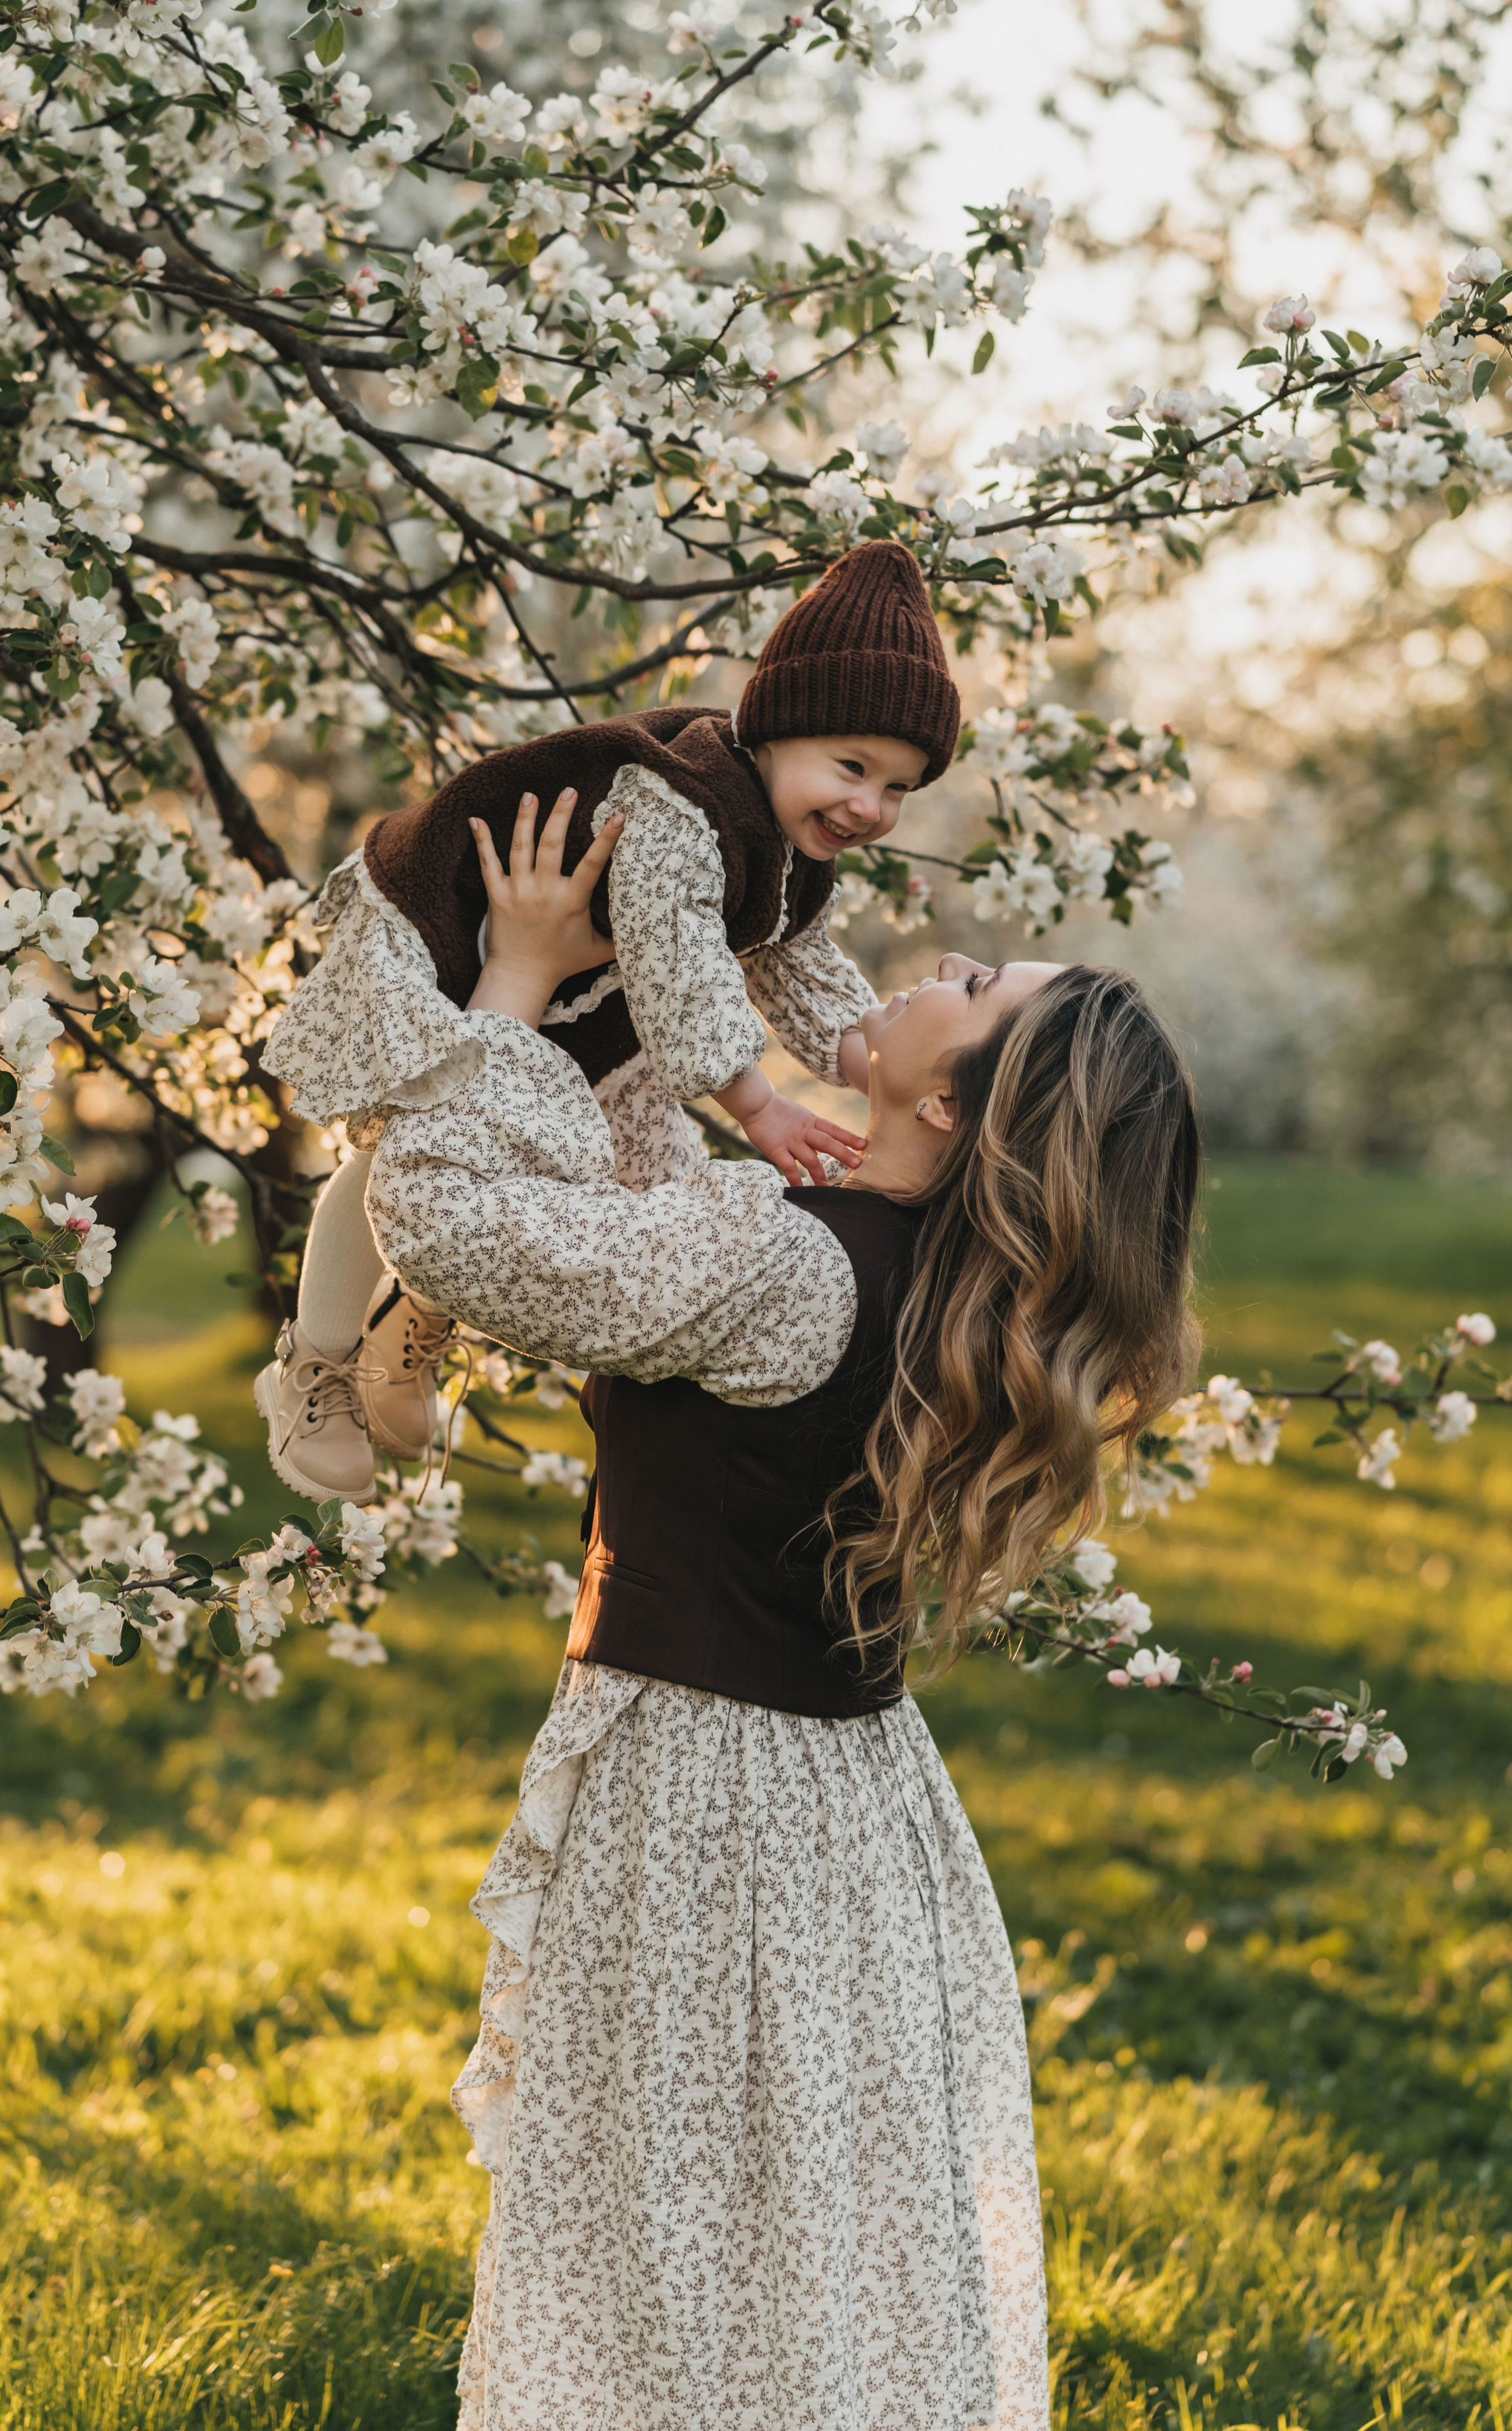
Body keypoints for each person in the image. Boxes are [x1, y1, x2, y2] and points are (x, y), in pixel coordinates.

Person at [363, 792, 1202, 2431]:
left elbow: (461, 1231)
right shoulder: (903, 1279)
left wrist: (514, 983)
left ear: (949, 1103)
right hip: (842, 1812)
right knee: (784, 2252)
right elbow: (643, 1231)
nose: (940, 960)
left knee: (666, 2267)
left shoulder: (795, 1269)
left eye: (977, 987)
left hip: (712, 1812)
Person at [255, 539, 960, 1505]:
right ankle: (316, 1362)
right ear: (779, 728)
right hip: (451, 928)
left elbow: (793, 956)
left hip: (579, 993)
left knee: (599, 1165)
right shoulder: (686, 801)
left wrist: (876, 1058)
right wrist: (758, 1106)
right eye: (853, 766)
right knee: (402, 1142)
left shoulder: (792, 843)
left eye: (898, 788)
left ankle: (409, 1315)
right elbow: (679, 964)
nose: (870, 805)